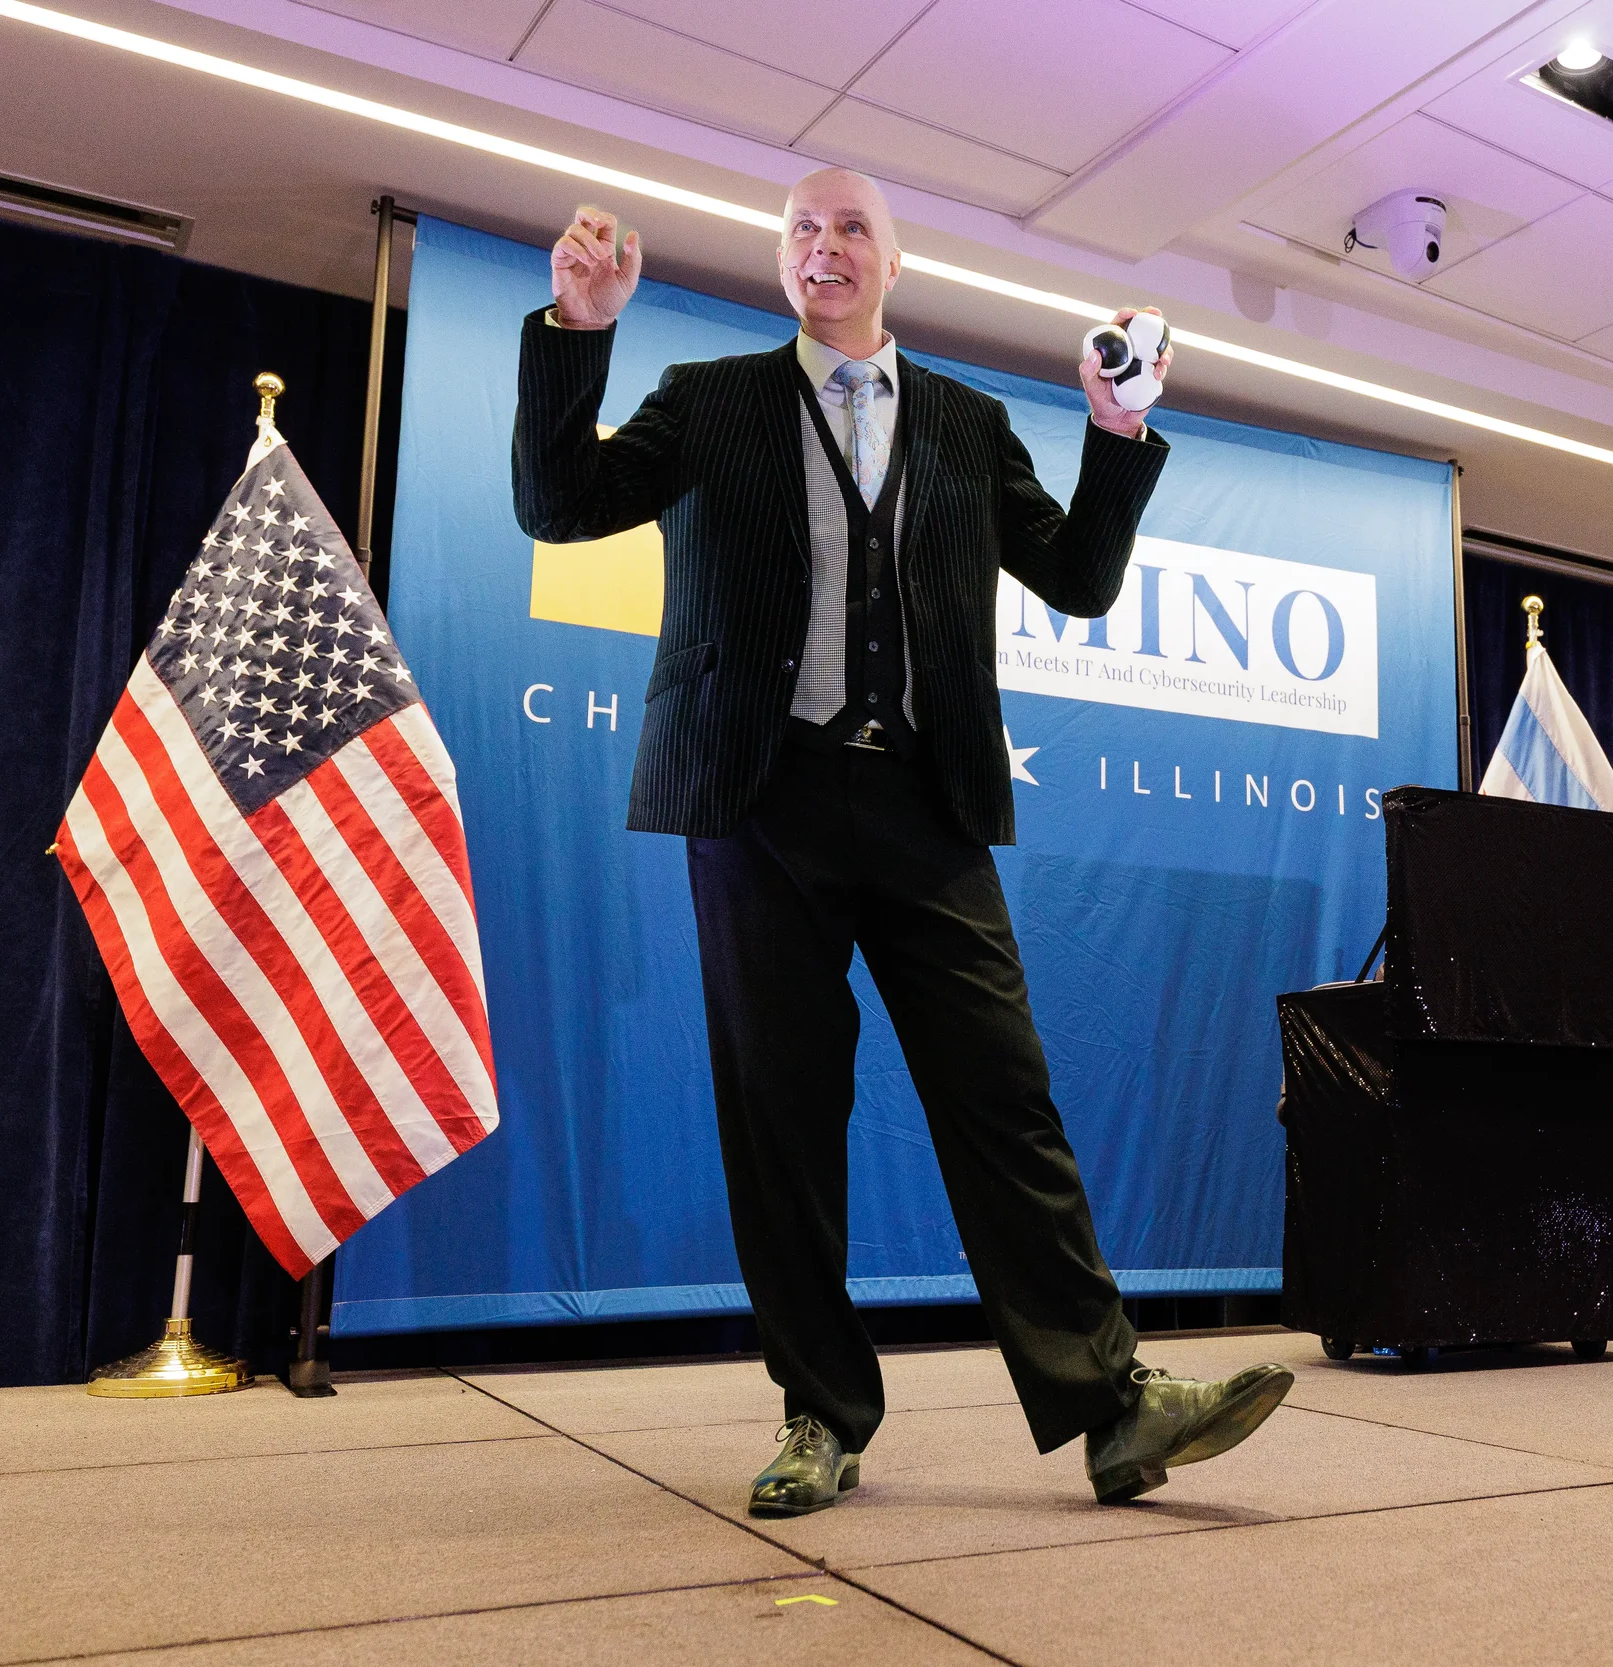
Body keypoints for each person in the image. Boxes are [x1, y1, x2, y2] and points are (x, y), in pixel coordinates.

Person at [513, 170, 1291, 1516]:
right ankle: (821, 1408)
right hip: (759, 800)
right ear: (782, 262)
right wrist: (578, 332)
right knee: (785, 1119)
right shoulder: (710, 399)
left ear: (892, 262)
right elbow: (558, 503)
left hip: (927, 801)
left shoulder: (967, 422)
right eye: (805, 229)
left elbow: (1083, 578)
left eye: (852, 227)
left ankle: (1108, 1406)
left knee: (1006, 1094)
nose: (827, 246)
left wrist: (1118, 428)